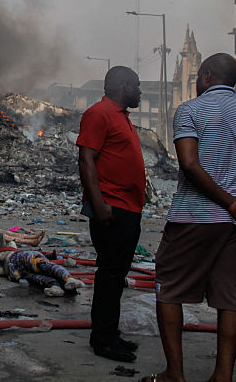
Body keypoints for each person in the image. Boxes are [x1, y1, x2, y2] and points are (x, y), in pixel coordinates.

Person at [143, 53, 236, 382]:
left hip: (194, 216)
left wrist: (229, 202)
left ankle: (174, 374)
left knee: (169, 291)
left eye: (196, 76)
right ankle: (222, 376)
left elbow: (190, 165)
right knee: (229, 299)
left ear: (206, 76)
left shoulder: (190, 110)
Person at [77, 66, 146, 362]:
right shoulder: (99, 113)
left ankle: (110, 332)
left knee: (117, 275)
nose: (140, 92)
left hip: (127, 207)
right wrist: (100, 203)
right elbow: (86, 159)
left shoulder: (120, 116)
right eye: (138, 87)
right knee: (110, 274)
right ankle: (103, 340)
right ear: (125, 86)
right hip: (112, 207)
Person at [0, 249, 85, 297]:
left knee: (43, 268)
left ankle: (66, 280)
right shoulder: (16, 255)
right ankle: (58, 285)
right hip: (17, 270)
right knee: (42, 272)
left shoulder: (15, 256)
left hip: (17, 266)